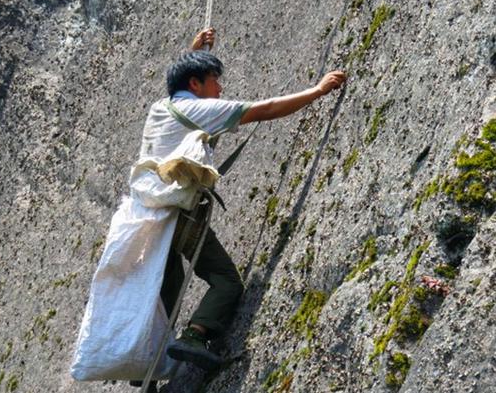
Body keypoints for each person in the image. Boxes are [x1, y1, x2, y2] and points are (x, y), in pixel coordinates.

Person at [137, 28, 346, 377]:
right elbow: (265, 109)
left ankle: (147, 363)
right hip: (179, 214)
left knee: (167, 294)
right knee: (225, 281)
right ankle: (196, 335)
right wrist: (318, 90)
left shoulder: (162, 108)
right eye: (214, 81)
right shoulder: (200, 109)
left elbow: (175, 82)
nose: (220, 89)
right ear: (195, 84)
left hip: (148, 218)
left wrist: (194, 50)